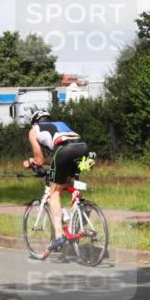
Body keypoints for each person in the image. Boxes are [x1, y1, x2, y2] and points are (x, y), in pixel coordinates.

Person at [22, 109, 89, 258]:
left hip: (64, 150)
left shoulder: (34, 130)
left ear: (34, 122)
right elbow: (54, 158)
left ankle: (59, 236)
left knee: (54, 192)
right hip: (83, 148)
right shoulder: (60, 125)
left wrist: (29, 162)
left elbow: (39, 160)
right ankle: (80, 213)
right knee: (69, 183)